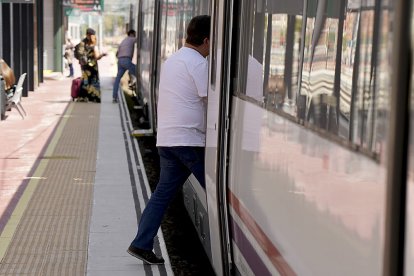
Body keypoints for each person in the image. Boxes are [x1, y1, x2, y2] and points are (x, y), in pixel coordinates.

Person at [127, 15, 211, 265]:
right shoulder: (198, 63)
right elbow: (212, 99)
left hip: (168, 139)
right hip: (189, 141)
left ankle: (140, 244)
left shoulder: (173, 60)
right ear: (206, 40)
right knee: (219, 193)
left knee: (162, 194)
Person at [78, 28, 106, 103]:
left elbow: (80, 55)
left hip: (85, 67)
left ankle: (83, 97)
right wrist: (102, 55)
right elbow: (97, 57)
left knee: (85, 81)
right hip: (93, 67)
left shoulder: (82, 43)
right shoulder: (94, 46)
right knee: (94, 81)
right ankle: (94, 98)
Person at [112, 29, 137, 103]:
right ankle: (138, 88)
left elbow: (117, 53)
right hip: (126, 60)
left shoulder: (123, 41)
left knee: (117, 79)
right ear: (132, 34)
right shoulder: (131, 39)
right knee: (138, 74)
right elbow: (141, 40)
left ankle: (114, 97)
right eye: (134, 34)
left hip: (120, 60)